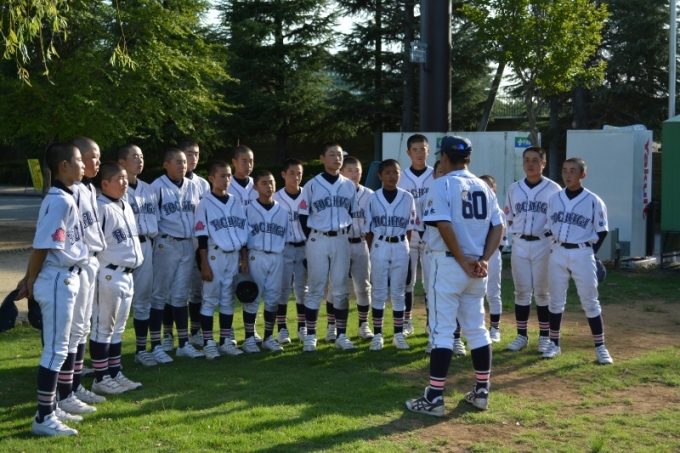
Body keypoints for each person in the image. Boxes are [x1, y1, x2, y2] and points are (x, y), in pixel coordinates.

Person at [406, 136, 504, 416]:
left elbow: (443, 225)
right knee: (476, 329)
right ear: (468, 159)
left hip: (450, 264)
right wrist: (484, 259)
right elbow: (499, 227)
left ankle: (435, 397)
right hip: (477, 268)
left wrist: (462, 260)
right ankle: (482, 392)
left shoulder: (441, 184)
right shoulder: (484, 186)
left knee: (442, 331)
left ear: (444, 158)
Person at [18, 142, 88, 436]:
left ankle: (52, 407)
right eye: (79, 160)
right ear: (64, 165)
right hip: (58, 277)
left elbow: (42, 242)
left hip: (63, 276)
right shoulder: (61, 201)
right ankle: (43, 417)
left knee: (61, 347)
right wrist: (30, 280)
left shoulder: (64, 196)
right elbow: (42, 246)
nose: (83, 165)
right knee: (56, 350)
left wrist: (29, 277)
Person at [543, 158, 613, 364]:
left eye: (573, 171)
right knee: (555, 300)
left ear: (583, 175)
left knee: (590, 301)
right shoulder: (554, 199)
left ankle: (600, 347)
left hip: (582, 252)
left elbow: (602, 230)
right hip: (558, 251)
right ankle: (554, 343)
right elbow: (548, 226)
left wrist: (591, 254)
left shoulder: (593, 200)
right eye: (565, 170)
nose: (568, 174)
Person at [57, 137, 107, 410]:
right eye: (92, 157)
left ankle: (74, 386)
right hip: (76, 264)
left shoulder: (88, 188)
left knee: (82, 328)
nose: (97, 162)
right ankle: (65, 393)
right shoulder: (70, 191)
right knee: (73, 330)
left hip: (90, 262)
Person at [298, 142, 358, 352]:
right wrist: (312, 239)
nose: (337, 158)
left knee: (341, 288)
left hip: (341, 239)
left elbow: (351, 214)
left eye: (339, 155)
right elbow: (303, 216)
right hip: (318, 239)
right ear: (322, 158)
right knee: (315, 287)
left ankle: (341, 335)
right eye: (332, 154)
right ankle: (311, 336)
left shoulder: (349, 185)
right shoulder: (312, 185)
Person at [90, 162, 144, 394]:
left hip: (127, 274)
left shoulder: (125, 205)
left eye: (125, 178)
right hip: (108, 274)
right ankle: (101, 378)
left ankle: (114, 372)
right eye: (118, 179)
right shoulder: (100, 208)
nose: (124, 182)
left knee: (118, 329)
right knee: (103, 328)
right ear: (105, 184)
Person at [504, 146, 561, 353]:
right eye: (526, 160)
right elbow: (510, 217)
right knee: (521, 291)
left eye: (535, 160)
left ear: (543, 164)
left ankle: (544, 336)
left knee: (543, 292)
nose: (530, 164)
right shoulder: (514, 188)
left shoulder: (554, 189)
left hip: (543, 243)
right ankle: (522, 335)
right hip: (520, 242)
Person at [117, 144, 170, 366]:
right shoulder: (116, 190)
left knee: (144, 300)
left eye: (141, 156)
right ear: (122, 162)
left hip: (147, 245)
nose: (140, 160)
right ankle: (111, 355)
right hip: (124, 248)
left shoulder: (149, 189)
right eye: (135, 157)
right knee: (119, 303)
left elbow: (155, 220)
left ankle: (143, 349)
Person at [151, 149, 203, 358]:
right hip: (166, 243)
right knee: (160, 295)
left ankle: (183, 344)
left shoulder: (193, 186)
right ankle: (157, 343)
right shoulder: (156, 187)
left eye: (184, 162)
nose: (183, 165)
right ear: (166, 164)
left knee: (181, 295)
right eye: (178, 162)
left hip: (188, 244)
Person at [194, 161, 249, 359]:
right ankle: (208, 343)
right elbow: (201, 236)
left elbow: (243, 231)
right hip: (214, 254)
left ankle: (225, 341)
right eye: (222, 176)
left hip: (233, 256)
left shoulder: (235, 201)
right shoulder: (205, 203)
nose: (227, 179)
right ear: (212, 178)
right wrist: (204, 264)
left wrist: (244, 259)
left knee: (227, 299)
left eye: (229, 176)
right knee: (210, 299)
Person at [363, 159, 415, 351]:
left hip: (400, 244)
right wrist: (374, 248)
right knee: (379, 291)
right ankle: (378, 335)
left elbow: (409, 228)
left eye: (395, 172)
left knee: (399, 291)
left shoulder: (407, 197)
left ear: (400, 174)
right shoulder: (373, 197)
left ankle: (398, 334)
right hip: (380, 244)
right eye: (388, 173)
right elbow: (368, 229)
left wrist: (404, 246)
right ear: (380, 176)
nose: (392, 176)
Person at [325, 157, 374, 343]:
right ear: (342, 173)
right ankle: (331, 327)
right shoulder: (336, 193)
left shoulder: (369, 195)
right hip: (341, 242)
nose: (354, 174)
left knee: (364, 286)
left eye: (357, 170)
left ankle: (363, 325)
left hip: (361, 243)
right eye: (350, 170)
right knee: (335, 286)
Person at [244, 170, 289, 353]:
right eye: (264, 183)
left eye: (271, 182)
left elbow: (286, 238)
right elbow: (243, 239)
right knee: (252, 298)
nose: (269, 186)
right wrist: (243, 260)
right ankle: (249, 338)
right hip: (256, 255)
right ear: (255, 187)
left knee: (273, 299)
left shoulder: (283, 211)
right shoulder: (248, 210)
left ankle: (268, 338)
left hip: (276, 256)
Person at [398, 134, 434, 336]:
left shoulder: (436, 174)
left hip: (431, 234)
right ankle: (406, 321)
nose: (419, 154)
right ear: (408, 152)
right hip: (409, 233)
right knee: (407, 280)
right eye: (415, 150)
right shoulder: (401, 176)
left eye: (422, 149)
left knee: (430, 282)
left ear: (428, 151)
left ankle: (430, 322)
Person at [227, 145, 261, 343]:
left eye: (251, 161)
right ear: (234, 162)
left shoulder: (257, 185)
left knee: (251, 288)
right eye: (244, 161)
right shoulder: (227, 185)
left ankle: (251, 330)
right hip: (231, 245)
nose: (248, 165)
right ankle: (228, 330)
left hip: (254, 244)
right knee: (229, 292)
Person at [179, 138, 210, 350]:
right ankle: (168, 335)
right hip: (176, 243)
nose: (193, 158)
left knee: (198, 290)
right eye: (189, 153)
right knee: (175, 292)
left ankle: (195, 332)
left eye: (197, 154)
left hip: (198, 242)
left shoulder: (203, 184)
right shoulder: (166, 184)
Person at [273, 159, 308, 343]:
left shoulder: (307, 195)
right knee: (283, 289)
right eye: (292, 173)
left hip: (304, 247)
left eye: (299, 173)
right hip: (285, 248)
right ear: (283, 174)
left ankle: (302, 327)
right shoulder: (276, 198)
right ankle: (282, 329)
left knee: (303, 290)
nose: (296, 177)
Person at [479, 174, 507, 343]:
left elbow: (502, 242)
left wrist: (490, 255)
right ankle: (478, 326)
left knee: (493, 292)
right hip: (475, 254)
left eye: (488, 187)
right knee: (475, 292)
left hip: (493, 254)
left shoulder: (499, 212)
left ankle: (495, 328)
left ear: (494, 191)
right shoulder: (473, 211)